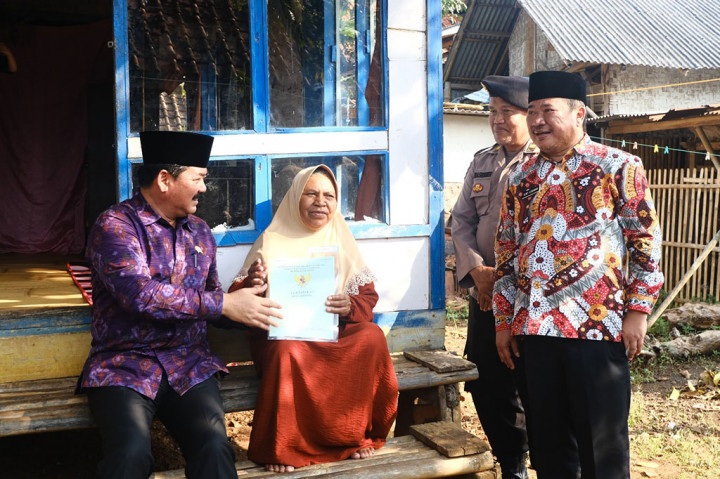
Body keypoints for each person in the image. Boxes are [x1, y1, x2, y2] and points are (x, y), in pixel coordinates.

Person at [77, 131, 283, 479]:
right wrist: (223, 304)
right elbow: (140, 295)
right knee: (129, 455)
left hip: (189, 365)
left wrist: (249, 296)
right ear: (164, 180)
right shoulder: (115, 226)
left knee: (215, 448)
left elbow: (215, 304)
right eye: (198, 178)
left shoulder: (200, 232)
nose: (204, 188)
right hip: (125, 365)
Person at [493, 70, 664, 479]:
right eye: (532, 111)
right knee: (549, 450)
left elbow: (645, 241)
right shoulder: (520, 177)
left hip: (597, 329)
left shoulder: (618, 166)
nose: (537, 121)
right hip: (534, 330)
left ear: (579, 113)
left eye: (547, 110)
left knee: (602, 450)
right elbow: (506, 251)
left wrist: (638, 310)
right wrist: (503, 320)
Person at [229, 164, 399, 472]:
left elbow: (368, 299)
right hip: (288, 337)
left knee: (371, 336)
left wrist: (349, 305)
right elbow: (238, 301)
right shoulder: (272, 240)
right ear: (296, 197)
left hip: (332, 335)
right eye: (311, 194)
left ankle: (353, 436)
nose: (320, 202)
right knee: (285, 350)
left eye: (328, 196)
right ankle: (285, 447)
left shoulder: (341, 240)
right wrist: (256, 284)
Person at [451, 75, 533, 479]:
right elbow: (461, 220)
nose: (497, 120)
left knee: (528, 381)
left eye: (507, 112)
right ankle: (512, 463)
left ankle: (541, 456)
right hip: (482, 294)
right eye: (492, 111)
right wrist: (476, 271)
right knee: (485, 380)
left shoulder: (544, 162)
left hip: (529, 297)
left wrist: (499, 282)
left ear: (530, 115)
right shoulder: (482, 161)